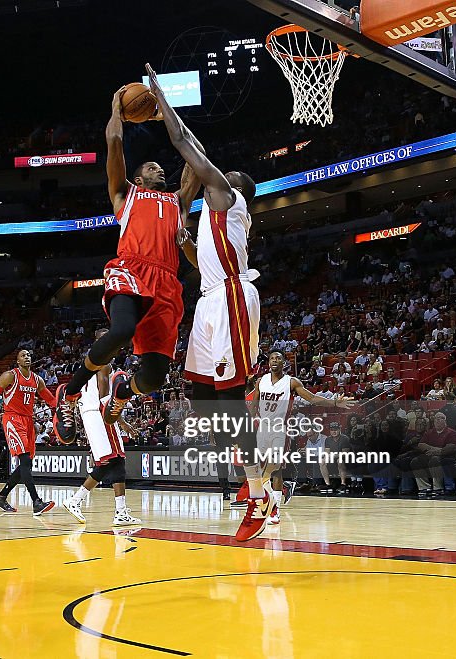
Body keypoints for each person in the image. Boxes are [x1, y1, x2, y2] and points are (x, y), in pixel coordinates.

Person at [145, 63, 268, 541]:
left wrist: (161, 98)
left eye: (225, 173)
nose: (218, 171)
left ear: (235, 189)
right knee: (202, 401)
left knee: (230, 404)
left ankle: (260, 495)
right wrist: (186, 248)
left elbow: (187, 147)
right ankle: (252, 478)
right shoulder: (218, 213)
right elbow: (207, 265)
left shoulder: (227, 197)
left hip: (233, 299)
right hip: (211, 297)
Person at [52, 83, 201, 442]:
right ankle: (70, 393)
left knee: (153, 378)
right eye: (152, 167)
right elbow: (114, 144)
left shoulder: (177, 202)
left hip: (167, 283)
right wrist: (117, 109)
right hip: (131, 269)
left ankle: (121, 395)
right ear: (138, 178)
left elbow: (197, 156)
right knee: (120, 331)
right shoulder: (125, 194)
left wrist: (167, 112)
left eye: (160, 167)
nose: (159, 169)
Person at [246, 351, 353, 529]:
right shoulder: (261, 381)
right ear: (269, 362)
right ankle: (279, 495)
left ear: (284, 363)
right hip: (262, 429)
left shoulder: (292, 382)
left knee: (275, 470)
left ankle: (276, 510)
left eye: (278, 358)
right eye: (272, 358)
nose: (275, 361)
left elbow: (311, 398)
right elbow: (254, 405)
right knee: (261, 471)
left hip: (280, 430)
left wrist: (334, 403)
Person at [62, 329, 142, 526]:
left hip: (89, 414)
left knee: (109, 462)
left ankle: (87, 503)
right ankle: (80, 502)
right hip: (99, 414)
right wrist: (121, 422)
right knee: (116, 460)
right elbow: (105, 400)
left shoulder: (91, 361)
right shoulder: (104, 363)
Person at [0, 349, 57, 515]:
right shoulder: (10, 376)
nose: (27, 357)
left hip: (29, 421)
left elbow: (51, 400)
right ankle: (36, 502)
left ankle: (1, 497)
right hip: (13, 419)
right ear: (17, 361)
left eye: (29, 355)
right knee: (24, 461)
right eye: (23, 355)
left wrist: (64, 405)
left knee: (27, 464)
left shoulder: (37, 380)